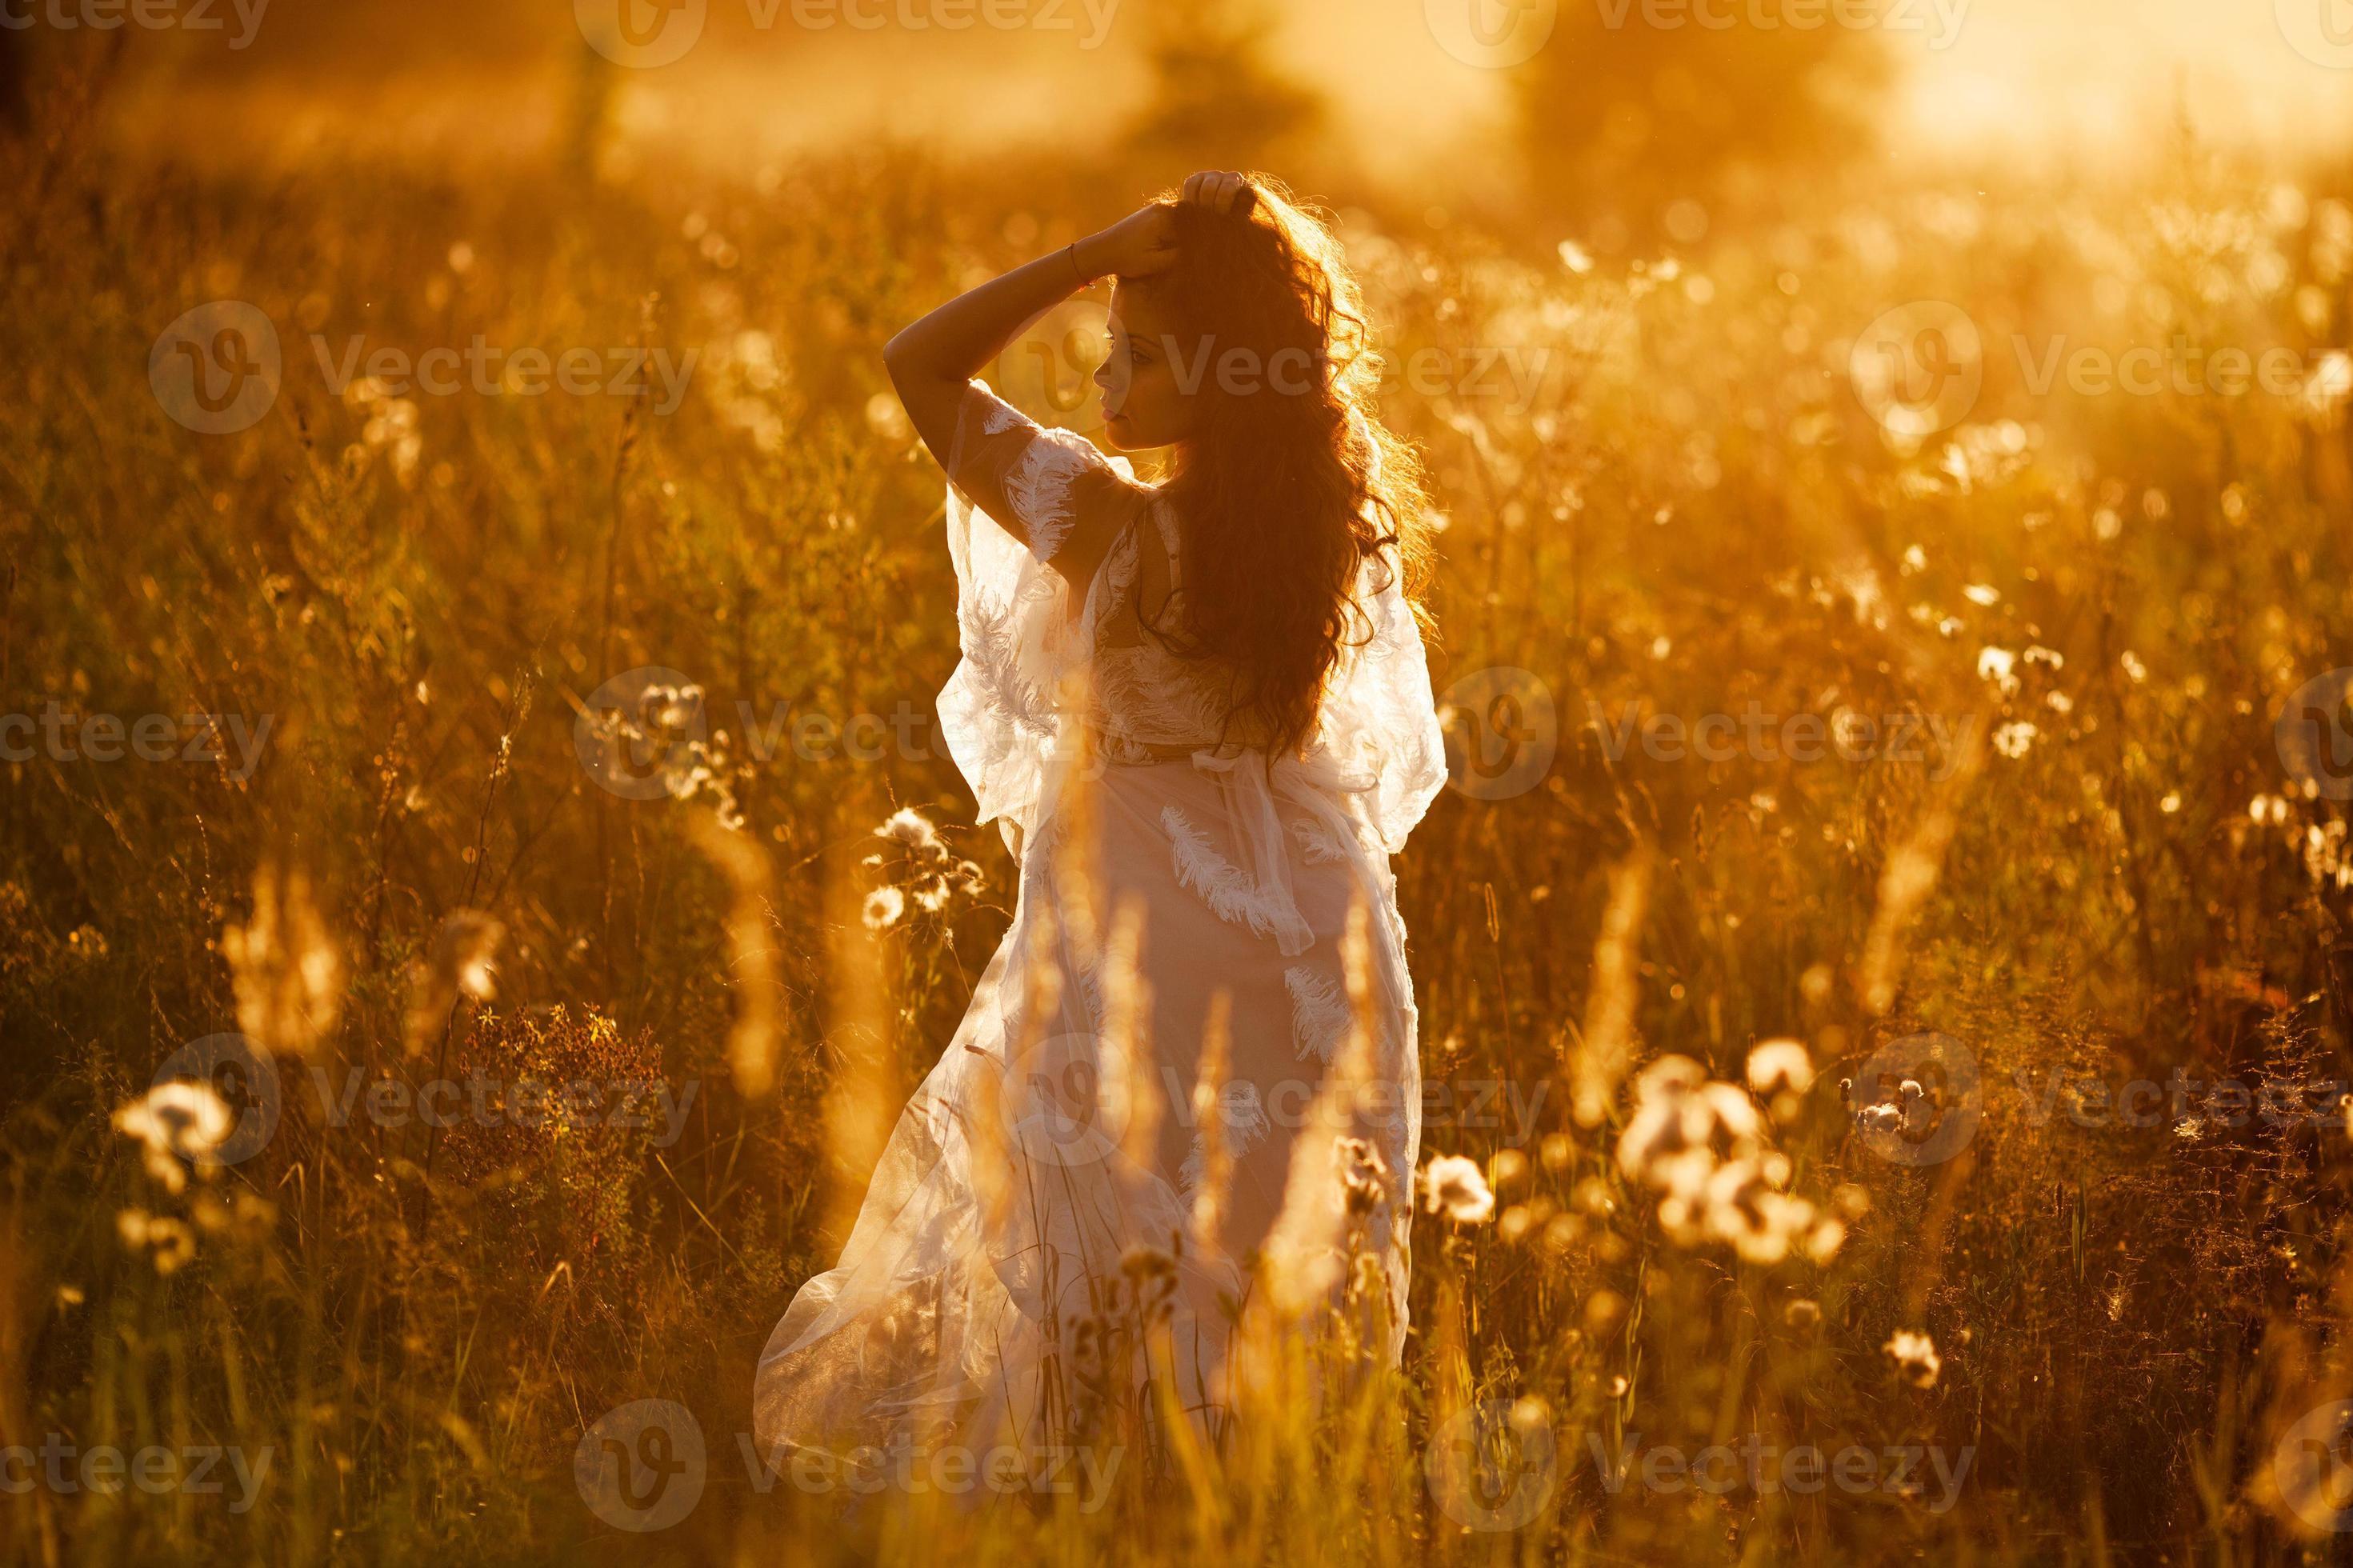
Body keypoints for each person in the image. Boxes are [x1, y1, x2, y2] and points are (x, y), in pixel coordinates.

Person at [754, 170, 1447, 1474]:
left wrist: (1084, 256)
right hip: (1310, 913)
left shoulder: (1106, 526)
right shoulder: (1334, 529)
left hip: (1139, 910)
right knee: (1271, 1221)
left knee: (1106, 1212)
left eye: (1131, 355)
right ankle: (1255, 1493)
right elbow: (1380, 766)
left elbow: (922, 362)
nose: (1101, 385)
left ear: (1205, 367)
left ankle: (1109, 1481)